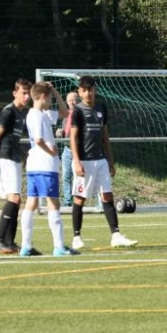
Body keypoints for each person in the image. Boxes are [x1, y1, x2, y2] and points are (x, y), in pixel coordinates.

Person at [69, 75, 138, 249]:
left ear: (95, 90)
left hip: (100, 160)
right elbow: (73, 138)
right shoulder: (77, 111)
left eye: (90, 89)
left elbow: (105, 136)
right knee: (80, 198)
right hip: (84, 161)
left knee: (107, 196)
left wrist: (110, 160)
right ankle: (76, 237)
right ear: (79, 92)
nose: (88, 93)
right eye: (84, 90)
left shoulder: (101, 108)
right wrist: (76, 161)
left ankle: (116, 235)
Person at [20, 81, 76, 256]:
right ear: (43, 97)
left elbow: (65, 113)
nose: (52, 100)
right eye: (50, 97)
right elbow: (38, 140)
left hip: (34, 166)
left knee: (32, 202)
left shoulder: (42, 113)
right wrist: (50, 151)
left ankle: (25, 246)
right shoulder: (36, 115)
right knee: (53, 203)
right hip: (44, 164)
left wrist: (55, 91)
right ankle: (59, 246)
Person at [0, 78, 32, 255]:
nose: (27, 96)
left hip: (14, 159)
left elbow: (13, 139)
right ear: (15, 93)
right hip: (4, 158)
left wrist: (24, 155)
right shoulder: (8, 112)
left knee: (16, 200)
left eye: (28, 93)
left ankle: (9, 242)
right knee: (13, 198)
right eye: (23, 93)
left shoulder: (22, 114)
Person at [57, 91, 79, 208]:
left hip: (79, 150)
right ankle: (67, 202)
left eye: (74, 99)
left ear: (79, 100)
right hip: (67, 149)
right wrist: (59, 132)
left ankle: (80, 200)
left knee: (80, 176)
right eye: (69, 100)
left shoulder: (82, 114)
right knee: (66, 176)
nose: (72, 102)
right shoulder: (66, 115)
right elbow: (65, 130)